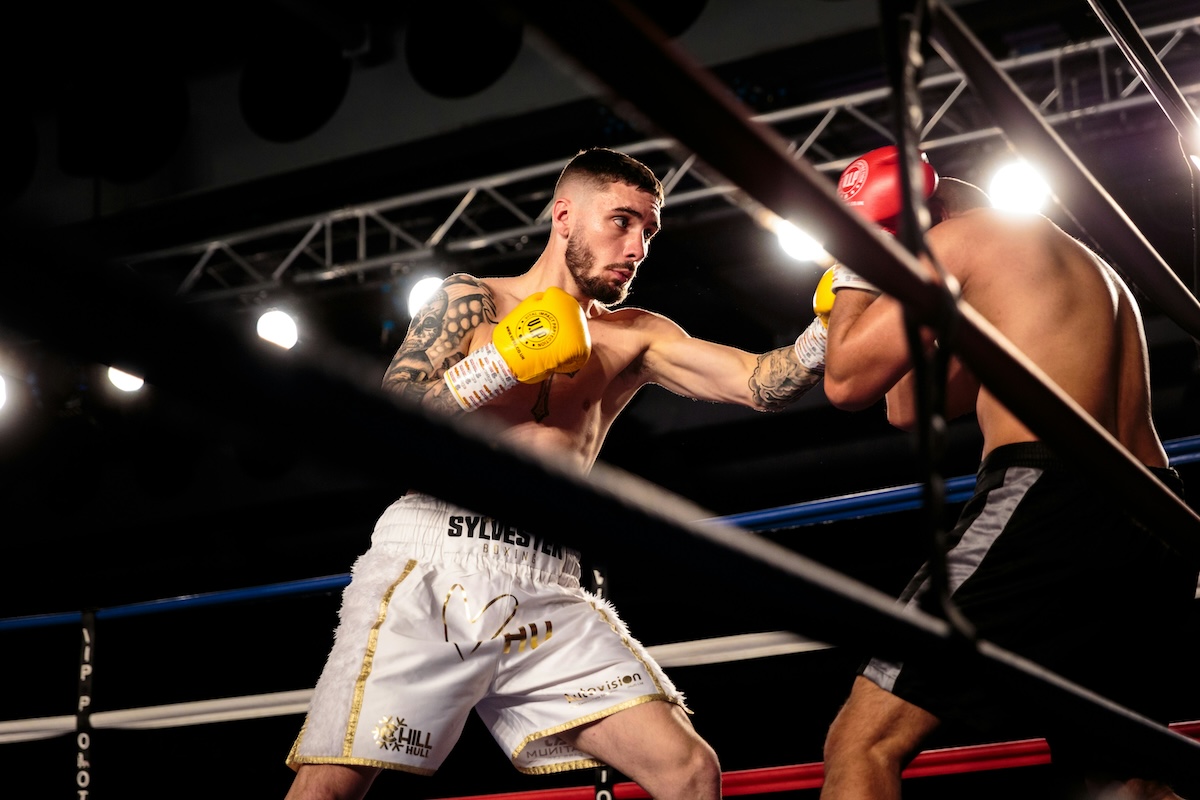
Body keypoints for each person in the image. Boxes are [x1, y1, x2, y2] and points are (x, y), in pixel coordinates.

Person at [283, 146, 831, 800]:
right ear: (564, 214)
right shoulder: (472, 301)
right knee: (330, 789)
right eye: (621, 222)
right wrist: (499, 364)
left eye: (649, 232)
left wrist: (833, 316)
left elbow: (762, 384)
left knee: (688, 770)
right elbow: (385, 423)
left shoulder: (636, 335)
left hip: (548, 582)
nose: (638, 247)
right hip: (434, 563)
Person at [818, 145, 1198, 799]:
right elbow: (910, 406)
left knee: (862, 741)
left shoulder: (958, 241)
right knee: (1125, 776)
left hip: (1054, 493)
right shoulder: (1079, 267)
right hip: (1158, 518)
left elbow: (846, 380)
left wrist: (855, 266)